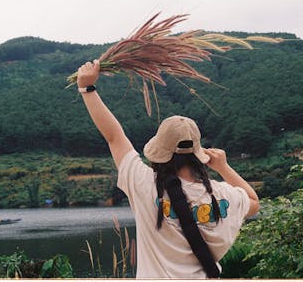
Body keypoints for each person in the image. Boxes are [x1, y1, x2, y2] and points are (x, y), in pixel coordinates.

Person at [77, 60, 260, 278]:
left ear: (160, 153)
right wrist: (223, 167)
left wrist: (87, 88)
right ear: (198, 155)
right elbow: (254, 203)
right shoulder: (223, 194)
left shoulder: (144, 184)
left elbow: (114, 136)